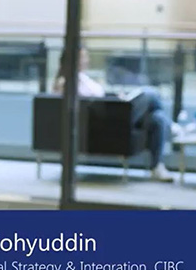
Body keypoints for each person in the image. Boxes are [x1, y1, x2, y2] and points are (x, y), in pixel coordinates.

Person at [53, 48, 175, 182]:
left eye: (86, 57)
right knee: (149, 93)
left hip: (111, 115)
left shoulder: (84, 77)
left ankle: (157, 166)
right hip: (104, 122)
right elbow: (83, 104)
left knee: (157, 118)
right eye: (82, 57)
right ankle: (174, 129)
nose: (86, 61)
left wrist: (116, 98)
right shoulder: (66, 81)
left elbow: (99, 97)